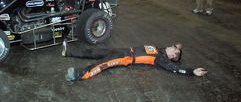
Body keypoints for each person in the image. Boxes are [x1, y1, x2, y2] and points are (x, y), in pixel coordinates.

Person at [62, 42, 208, 81]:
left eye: (174, 51)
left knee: (102, 64)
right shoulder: (160, 49)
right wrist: (178, 47)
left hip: (125, 58)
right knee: (97, 52)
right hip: (124, 49)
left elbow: (174, 68)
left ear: (173, 56)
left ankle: (78, 74)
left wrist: (191, 71)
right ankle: (69, 51)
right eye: (173, 48)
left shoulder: (161, 59)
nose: (172, 48)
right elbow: (176, 45)